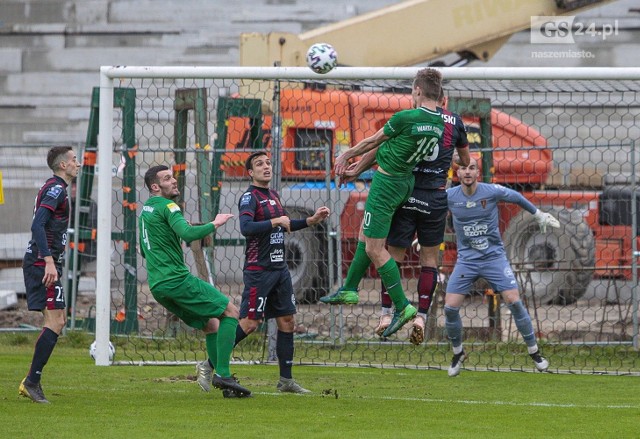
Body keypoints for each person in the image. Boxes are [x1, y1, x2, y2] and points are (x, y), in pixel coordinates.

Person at [320, 68, 445, 339]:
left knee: (376, 249)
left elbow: (375, 141)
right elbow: (386, 148)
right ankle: (349, 289)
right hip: (404, 182)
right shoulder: (439, 123)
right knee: (367, 237)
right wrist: (357, 169)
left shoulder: (406, 117)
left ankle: (402, 307)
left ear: (417, 91)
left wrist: (346, 155)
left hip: (386, 186)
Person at [198, 150, 330, 394]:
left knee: (287, 321)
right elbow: (246, 227)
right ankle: (209, 364)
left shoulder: (273, 195)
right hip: (259, 269)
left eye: (268, 163)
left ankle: (286, 381)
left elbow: (285, 225)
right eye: (259, 164)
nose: (266, 167)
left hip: (280, 270)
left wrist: (311, 220)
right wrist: (275, 222)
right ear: (250, 172)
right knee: (249, 323)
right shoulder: (250, 198)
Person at [367, 90, 470, 344]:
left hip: (407, 192)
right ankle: (421, 317)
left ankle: (386, 314)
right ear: (444, 101)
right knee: (429, 260)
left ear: (419, 94)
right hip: (435, 198)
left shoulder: (412, 118)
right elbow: (465, 161)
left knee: (392, 257)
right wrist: (453, 159)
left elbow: (386, 146)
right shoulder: (455, 122)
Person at [139, 165, 251, 397]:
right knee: (230, 312)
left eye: (173, 176)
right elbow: (189, 234)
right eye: (167, 178)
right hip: (176, 279)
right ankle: (224, 375)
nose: (174, 181)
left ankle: (211, 371)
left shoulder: (145, 210)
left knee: (211, 324)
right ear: (155, 187)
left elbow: (143, 250)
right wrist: (215, 223)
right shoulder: (169, 205)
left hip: (158, 286)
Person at [444, 158, 559, 376]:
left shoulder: (491, 191)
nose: (467, 172)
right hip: (467, 261)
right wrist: (425, 238)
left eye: (472, 168)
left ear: (478, 172)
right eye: (463, 169)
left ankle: (535, 353)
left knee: (514, 301)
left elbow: (516, 196)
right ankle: (458, 352)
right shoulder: (450, 196)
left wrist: (538, 214)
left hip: (493, 259)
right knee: (450, 308)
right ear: (456, 173)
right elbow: (435, 214)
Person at [19, 146, 80, 403]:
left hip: (45, 262)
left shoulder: (56, 188)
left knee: (58, 319)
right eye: (74, 159)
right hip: (42, 263)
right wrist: (48, 261)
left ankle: (33, 380)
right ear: (63, 165)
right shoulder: (56, 189)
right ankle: (31, 381)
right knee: (55, 321)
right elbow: (37, 224)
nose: (78, 163)